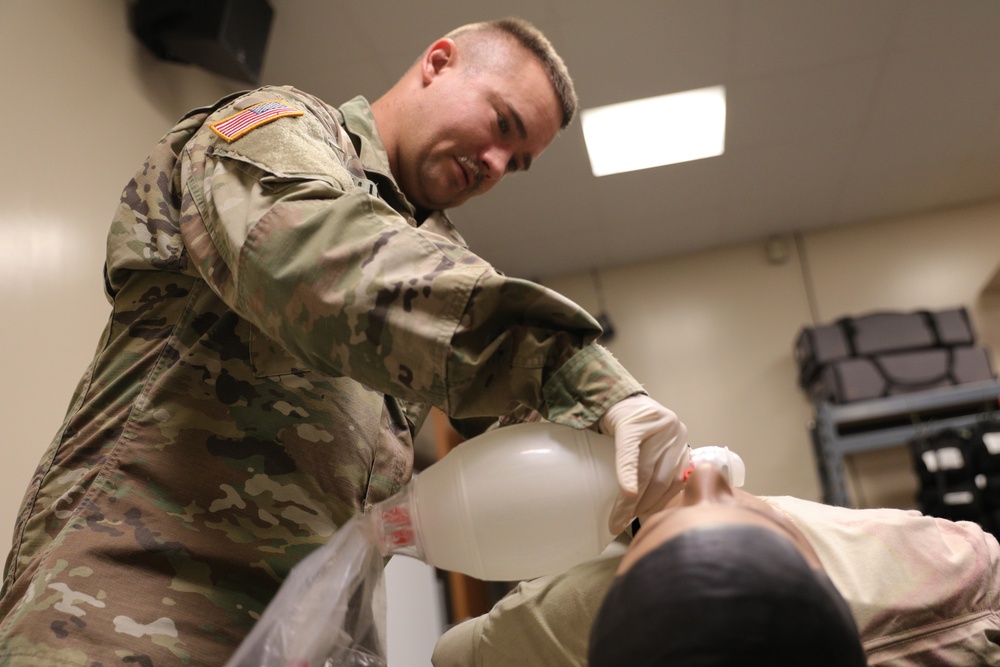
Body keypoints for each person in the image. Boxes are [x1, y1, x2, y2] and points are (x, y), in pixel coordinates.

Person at [0, 17, 690, 667]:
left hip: (295, 633)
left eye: (518, 161)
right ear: (439, 62)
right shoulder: (278, 133)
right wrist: (574, 366)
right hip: (121, 613)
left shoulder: (438, 257)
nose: (495, 162)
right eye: (500, 126)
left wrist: (657, 490)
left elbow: (544, 438)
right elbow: (325, 267)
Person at [432, 461, 1000, 666]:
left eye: (652, 533)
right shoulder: (963, 555)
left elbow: (452, 655)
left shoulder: (562, 627)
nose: (709, 478)